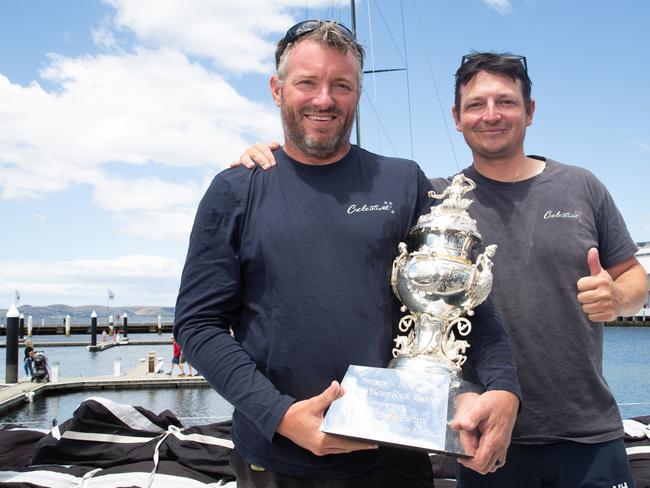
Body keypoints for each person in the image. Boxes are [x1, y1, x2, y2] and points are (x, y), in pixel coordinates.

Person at [237, 50, 650, 487]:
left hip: (586, 430)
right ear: (457, 117)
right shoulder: (430, 199)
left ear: (530, 112)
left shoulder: (581, 186)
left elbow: (634, 277)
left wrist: (619, 297)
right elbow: (335, 201)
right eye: (475, 105)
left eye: (506, 102)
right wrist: (274, 159)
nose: (491, 115)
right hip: (474, 434)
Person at [174, 22, 521, 487]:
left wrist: (503, 387)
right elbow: (198, 325)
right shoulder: (236, 189)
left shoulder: (402, 181)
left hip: (394, 460)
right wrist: (280, 414)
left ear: (358, 92)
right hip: (275, 462)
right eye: (307, 83)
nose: (324, 99)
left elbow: (460, 294)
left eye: (342, 85)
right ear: (278, 89)